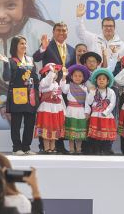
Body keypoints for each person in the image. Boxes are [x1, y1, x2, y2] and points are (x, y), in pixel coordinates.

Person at [33, 21, 75, 153]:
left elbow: (72, 70)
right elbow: (36, 57)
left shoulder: (71, 49)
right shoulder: (48, 46)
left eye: (64, 30)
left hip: (63, 86)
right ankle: (43, 145)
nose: (61, 33)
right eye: (58, 30)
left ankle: (59, 145)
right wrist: (43, 48)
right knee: (46, 117)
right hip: (48, 88)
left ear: (67, 32)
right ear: (53, 32)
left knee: (59, 117)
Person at [0, 35, 40, 156]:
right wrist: (6, 64)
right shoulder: (11, 61)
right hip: (17, 95)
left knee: (30, 123)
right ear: (15, 46)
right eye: (21, 43)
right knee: (16, 123)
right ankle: (16, 147)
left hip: (31, 95)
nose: (24, 45)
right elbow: (6, 77)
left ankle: (26, 147)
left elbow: (35, 77)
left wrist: (37, 92)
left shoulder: (30, 60)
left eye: (25, 43)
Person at [76, 4, 124, 72]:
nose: (108, 28)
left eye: (111, 26)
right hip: (94, 77)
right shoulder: (93, 38)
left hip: (114, 78)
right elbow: (81, 33)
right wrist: (79, 18)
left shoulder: (122, 45)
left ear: (114, 27)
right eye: (106, 26)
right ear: (102, 27)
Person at [34, 63, 65, 154]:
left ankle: (53, 147)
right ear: (46, 73)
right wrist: (51, 72)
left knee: (54, 128)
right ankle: (46, 148)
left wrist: (64, 110)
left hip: (56, 109)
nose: (54, 74)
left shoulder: (57, 84)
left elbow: (61, 98)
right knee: (46, 127)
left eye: (56, 72)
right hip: (46, 108)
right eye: (52, 72)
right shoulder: (44, 81)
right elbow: (48, 81)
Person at [86, 68, 117, 155]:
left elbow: (112, 103)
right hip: (95, 115)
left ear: (107, 81)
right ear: (96, 81)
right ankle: (96, 149)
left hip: (106, 116)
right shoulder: (94, 91)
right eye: (99, 79)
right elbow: (89, 102)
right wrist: (91, 92)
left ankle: (106, 149)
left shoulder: (111, 91)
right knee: (96, 134)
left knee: (106, 133)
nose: (101, 81)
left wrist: (106, 112)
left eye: (104, 79)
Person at [61, 64, 90, 154]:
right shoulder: (69, 86)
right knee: (71, 131)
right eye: (75, 76)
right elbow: (63, 89)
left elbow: (87, 102)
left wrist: (87, 112)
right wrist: (63, 76)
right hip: (70, 111)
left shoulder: (85, 88)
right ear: (72, 77)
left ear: (83, 78)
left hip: (81, 111)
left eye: (80, 76)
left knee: (79, 131)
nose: (77, 78)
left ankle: (78, 148)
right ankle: (71, 149)